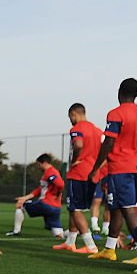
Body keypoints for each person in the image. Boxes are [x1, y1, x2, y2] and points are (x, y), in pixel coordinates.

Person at [87, 78, 137, 264]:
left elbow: (109, 142)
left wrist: (95, 168)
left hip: (120, 168)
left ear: (119, 92)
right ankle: (109, 249)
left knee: (127, 209)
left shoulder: (115, 113)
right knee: (115, 207)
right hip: (136, 167)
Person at [57, 103, 103, 254]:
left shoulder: (77, 129)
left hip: (79, 172)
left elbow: (78, 144)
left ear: (73, 114)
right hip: (93, 173)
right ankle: (70, 242)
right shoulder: (97, 130)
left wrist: (74, 160)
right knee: (75, 208)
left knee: (75, 209)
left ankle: (90, 245)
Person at [7, 154, 64, 239]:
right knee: (58, 234)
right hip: (56, 207)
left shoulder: (50, 172)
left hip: (46, 204)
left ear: (44, 163)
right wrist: (25, 198)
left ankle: (16, 231)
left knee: (20, 205)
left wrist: (57, 193)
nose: (38, 167)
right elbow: (39, 189)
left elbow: (60, 184)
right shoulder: (50, 172)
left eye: (39, 164)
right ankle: (77, 232)